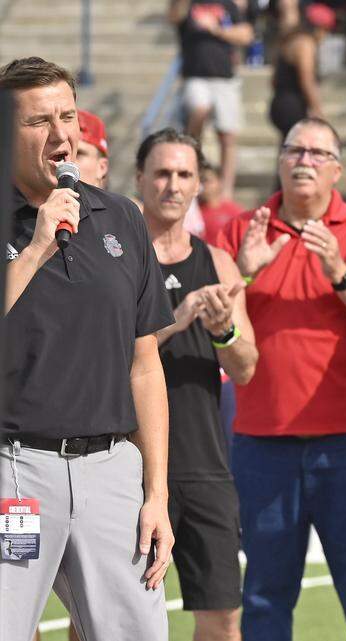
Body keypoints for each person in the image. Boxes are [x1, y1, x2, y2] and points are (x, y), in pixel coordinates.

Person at [0, 56, 174, 641]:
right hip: (15, 473)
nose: (60, 135)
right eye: (37, 121)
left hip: (111, 472)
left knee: (137, 635)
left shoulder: (122, 217)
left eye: (67, 116)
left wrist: (156, 493)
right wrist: (36, 247)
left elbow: (145, 365)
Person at [215, 116, 346, 641]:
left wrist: (341, 273)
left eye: (318, 154)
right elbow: (217, 323)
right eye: (294, 150)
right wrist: (246, 271)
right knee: (265, 598)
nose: (303, 160)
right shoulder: (241, 231)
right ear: (279, 162)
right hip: (263, 445)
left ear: (338, 172)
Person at [138, 128, 256, 641]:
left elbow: (247, 364)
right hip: (129, 465)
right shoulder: (116, 258)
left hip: (205, 465)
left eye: (185, 174)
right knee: (114, 616)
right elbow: (98, 355)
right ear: (139, 178)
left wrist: (222, 329)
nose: (173, 185)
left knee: (223, 616)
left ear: (199, 183)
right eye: (162, 172)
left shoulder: (218, 262)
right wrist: (177, 318)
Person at [169, 0, 254, 200]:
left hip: (225, 78)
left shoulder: (228, 5)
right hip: (195, 76)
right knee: (199, 109)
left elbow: (246, 34)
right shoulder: (186, 4)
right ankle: (190, 160)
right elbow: (174, 17)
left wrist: (216, 29)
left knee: (228, 136)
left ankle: (226, 190)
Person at [269, 2, 336, 142]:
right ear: (319, 28)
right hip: (292, 106)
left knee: (287, 148)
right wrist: (317, 110)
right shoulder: (305, 43)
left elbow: (274, 79)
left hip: (281, 101)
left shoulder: (291, 38)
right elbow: (306, 79)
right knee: (295, 147)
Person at [199, 159, 244, 242]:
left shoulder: (234, 211)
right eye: (200, 181)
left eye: (207, 180)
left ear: (219, 182)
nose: (202, 185)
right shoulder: (193, 212)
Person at [76, 109, 109, 189]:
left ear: (101, 167)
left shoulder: (120, 202)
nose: (66, 161)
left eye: (77, 154)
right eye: (61, 155)